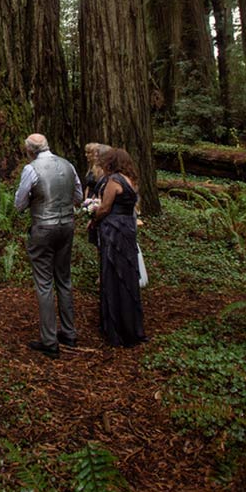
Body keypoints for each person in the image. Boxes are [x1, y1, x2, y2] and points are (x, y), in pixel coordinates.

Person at [15, 133, 83, 358]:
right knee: (64, 278)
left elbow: (19, 203)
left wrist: (36, 201)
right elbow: (79, 196)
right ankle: (69, 332)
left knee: (44, 282)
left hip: (43, 226)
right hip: (67, 225)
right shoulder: (68, 165)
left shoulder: (31, 169)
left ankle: (49, 339)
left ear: (30, 151)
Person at [88, 147, 147, 348]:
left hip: (113, 230)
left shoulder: (114, 181)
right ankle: (130, 324)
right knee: (127, 273)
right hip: (128, 229)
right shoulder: (132, 180)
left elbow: (105, 207)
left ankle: (115, 326)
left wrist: (93, 218)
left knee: (113, 273)